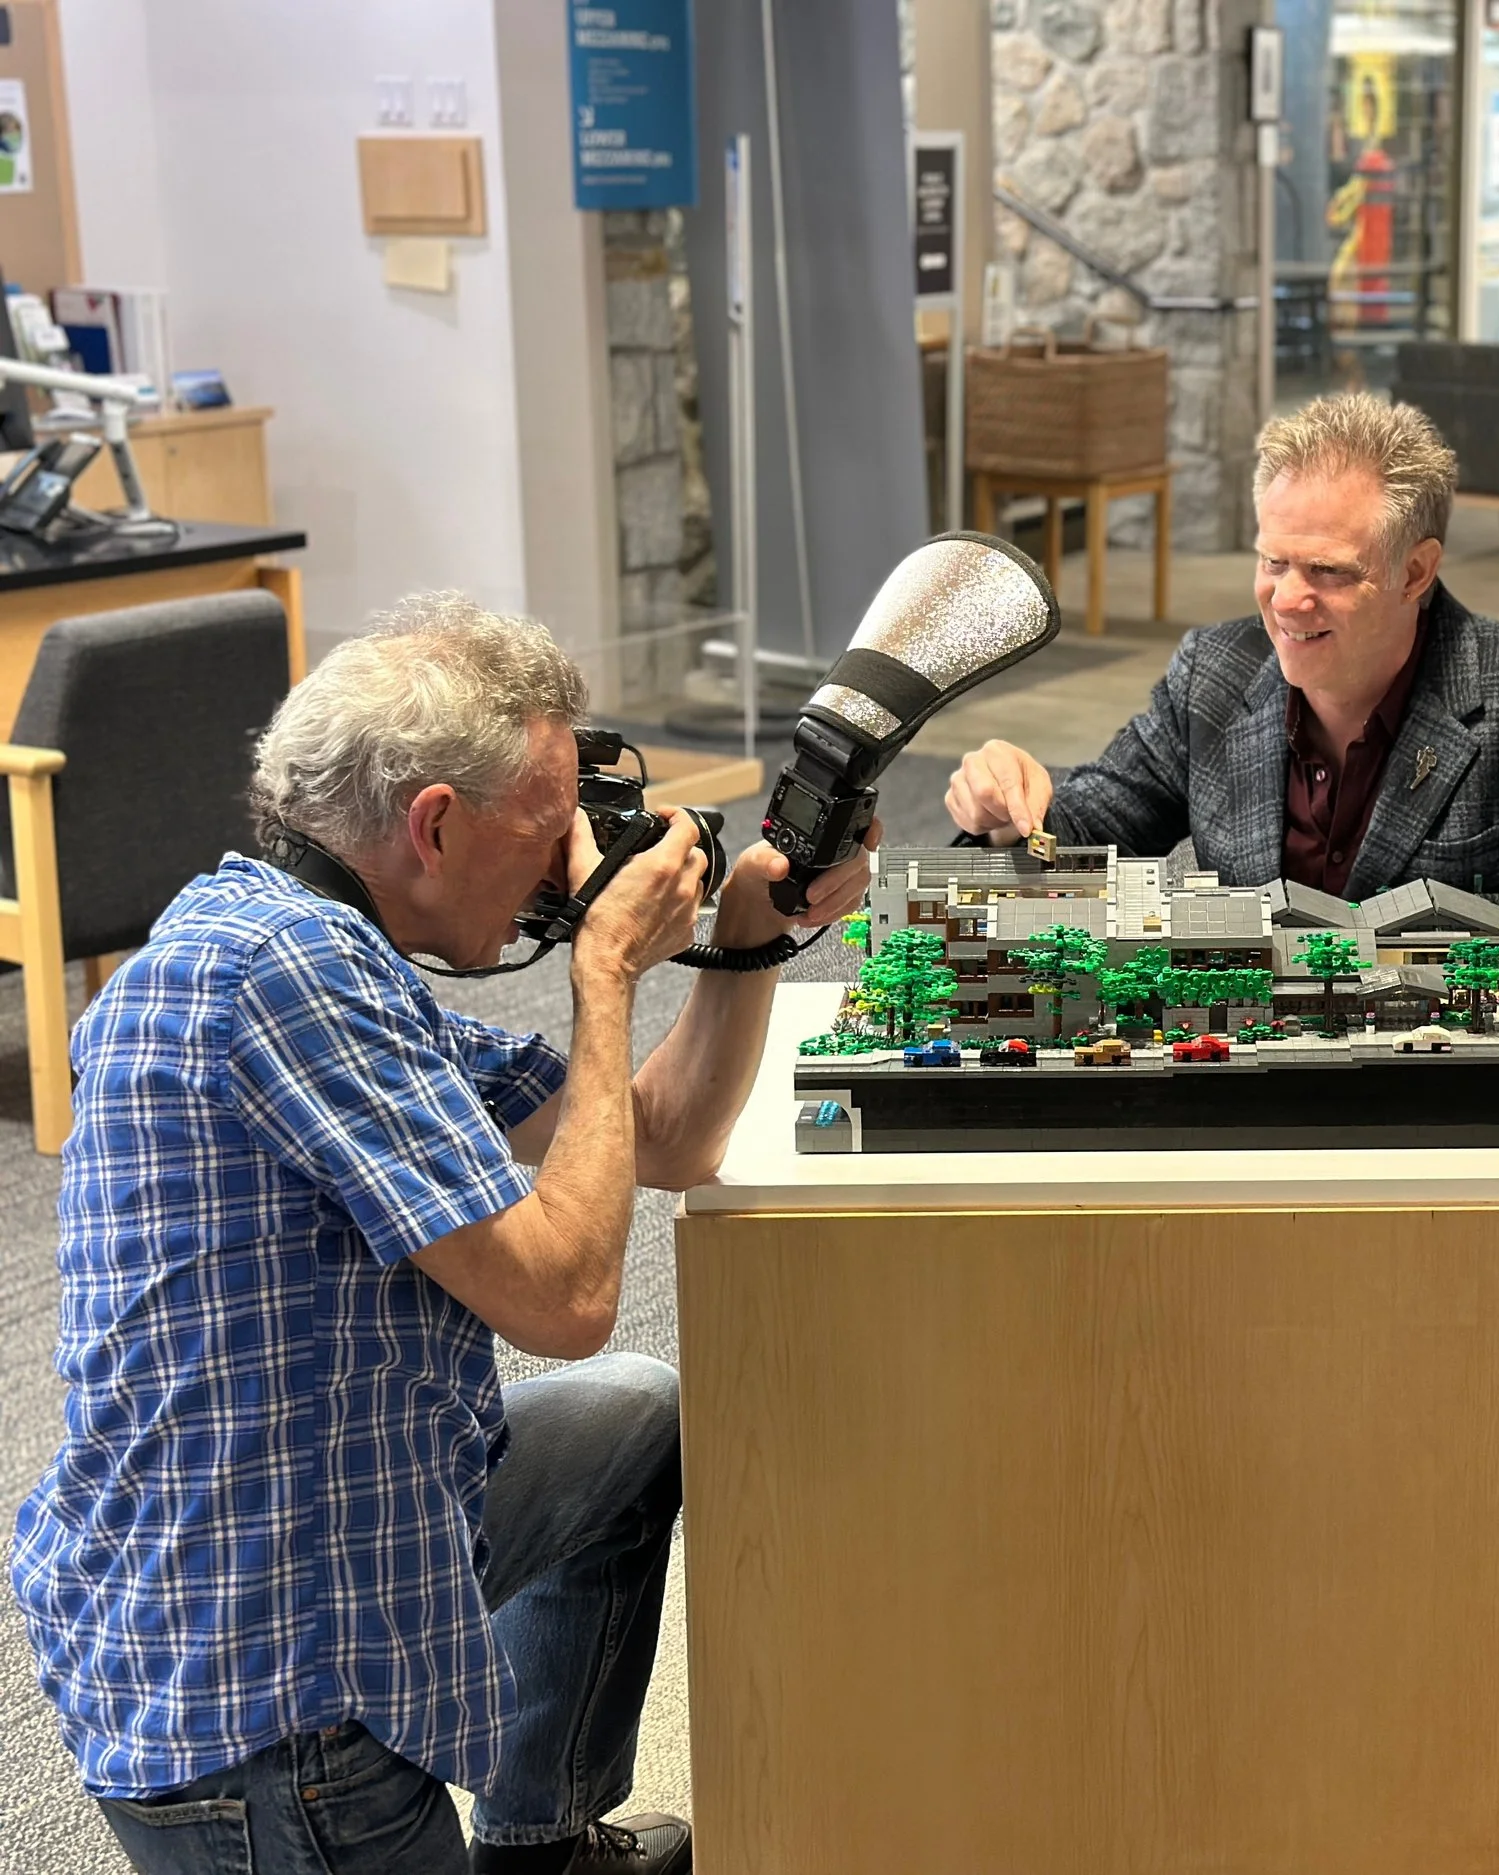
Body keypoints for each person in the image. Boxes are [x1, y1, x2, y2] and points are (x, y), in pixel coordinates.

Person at [10, 595, 876, 1875]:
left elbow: (662, 1137)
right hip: (266, 1703)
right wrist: (603, 975)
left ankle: (543, 1838)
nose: (565, 866)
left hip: (343, 1517)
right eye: (546, 833)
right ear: (431, 823)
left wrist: (744, 944)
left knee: (630, 1416)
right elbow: (568, 1294)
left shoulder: (327, 952)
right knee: (602, 1352)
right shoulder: (280, 975)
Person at [947, 393, 1499, 899]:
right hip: (1246, 1087)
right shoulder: (1213, 675)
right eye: (1273, 561)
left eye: (1329, 571)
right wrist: (1009, 810)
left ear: (1416, 571)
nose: (1288, 600)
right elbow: (1081, 839)